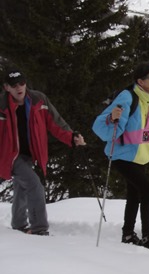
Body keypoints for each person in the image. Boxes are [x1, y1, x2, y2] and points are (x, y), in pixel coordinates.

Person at [92, 61, 149, 253]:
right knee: (148, 190)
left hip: (141, 156)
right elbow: (100, 127)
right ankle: (148, 236)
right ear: (140, 81)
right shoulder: (127, 97)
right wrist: (111, 118)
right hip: (121, 155)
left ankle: (128, 234)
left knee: (135, 193)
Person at [0, 67, 86, 235]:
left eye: (22, 83)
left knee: (21, 186)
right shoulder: (1, 106)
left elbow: (55, 123)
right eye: (14, 85)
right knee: (34, 185)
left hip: (30, 153)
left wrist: (71, 137)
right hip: (10, 156)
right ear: (6, 88)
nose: (19, 87)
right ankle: (39, 228)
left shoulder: (38, 100)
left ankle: (18, 224)